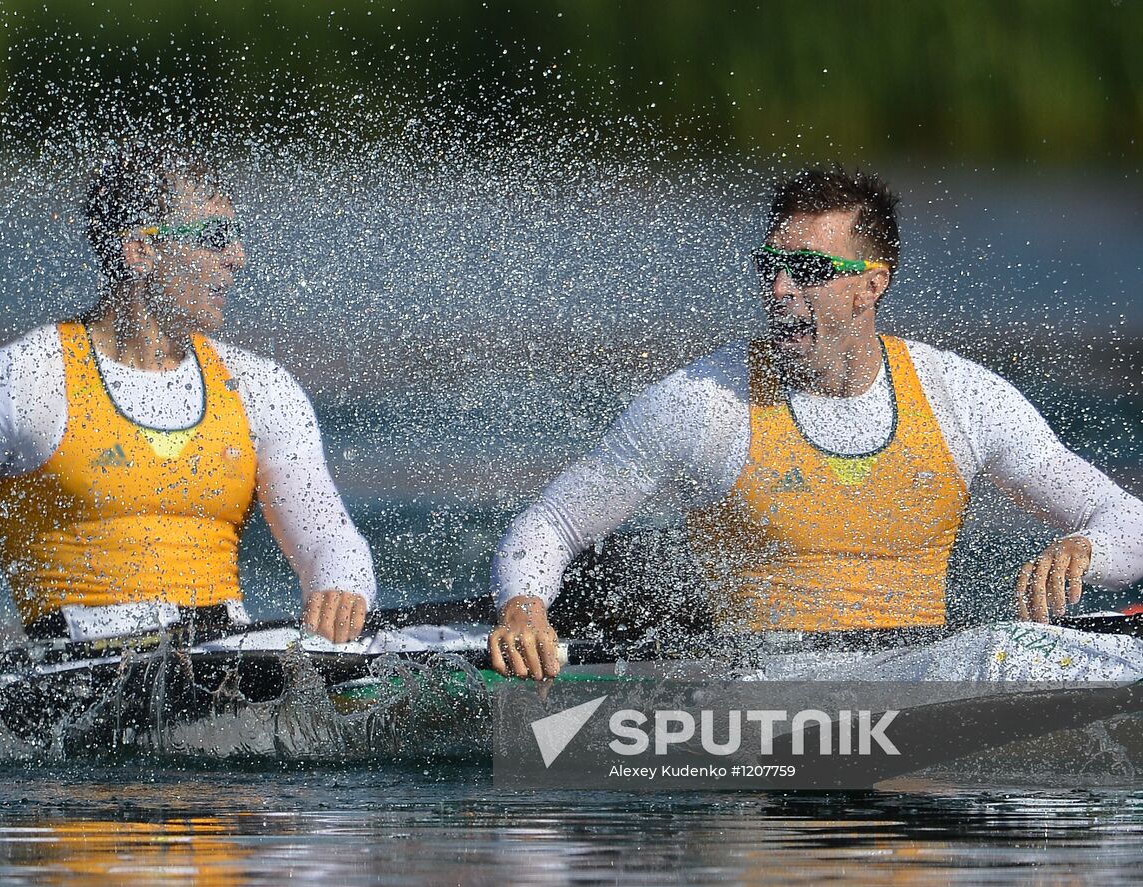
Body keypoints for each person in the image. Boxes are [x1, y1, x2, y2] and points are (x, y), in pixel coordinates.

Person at [0, 144, 377, 698]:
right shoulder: (22, 380)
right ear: (141, 250)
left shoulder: (260, 388)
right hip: (73, 681)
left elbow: (328, 533)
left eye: (235, 237)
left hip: (217, 661)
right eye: (214, 237)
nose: (237, 257)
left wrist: (340, 588)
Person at [490, 166, 1143, 680]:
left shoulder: (963, 398)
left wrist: (1085, 548)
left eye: (806, 270)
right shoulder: (704, 402)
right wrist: (524, 607)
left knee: (1025, 652)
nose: (779, 288)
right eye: (769, 268)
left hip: (917, 677)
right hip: (755, 694)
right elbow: (553, 524)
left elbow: (1128, 521)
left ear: (871, 286)